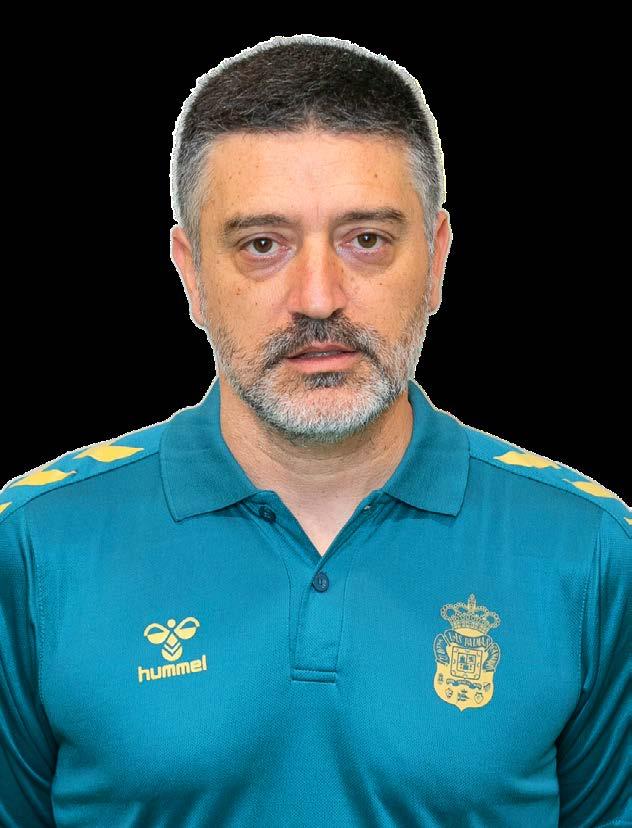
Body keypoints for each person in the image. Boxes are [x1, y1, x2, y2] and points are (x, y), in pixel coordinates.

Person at [1, 34, 629, 828]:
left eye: (367, 239)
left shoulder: (592, 551)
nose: (319, 297)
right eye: (262, 245)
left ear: (437, 258)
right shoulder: (32, 544)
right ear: (190, 271)